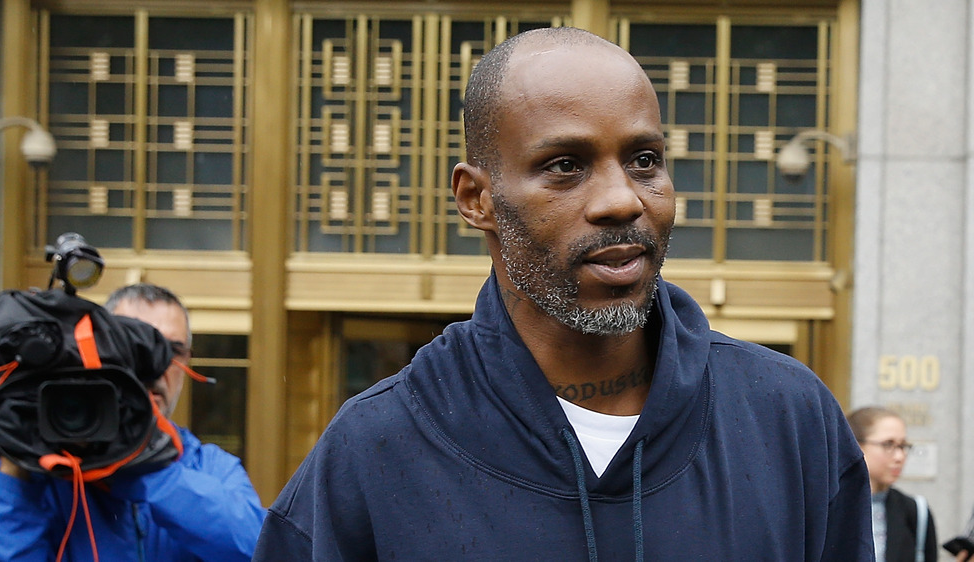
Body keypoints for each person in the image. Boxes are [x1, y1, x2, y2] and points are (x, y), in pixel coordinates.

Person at [253, 27, 873, 561]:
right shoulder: (376, 450)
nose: (621, 200)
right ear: (477, 199)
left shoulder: (789, 422)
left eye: (645, 160)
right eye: (565, 166)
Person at [0, 283, 266, 561]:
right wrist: (17, 476)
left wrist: (155, 471)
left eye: (173, 351)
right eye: (135, 345)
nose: (157, 367)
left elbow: (261, 549)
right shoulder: (51, 472)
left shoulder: (210, 468)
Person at [848, 406, 937, 562]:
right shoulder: (827, 505)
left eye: (903, 446)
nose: (899, 456)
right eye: (888, 444)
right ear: (856, 445)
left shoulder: (915, 510)